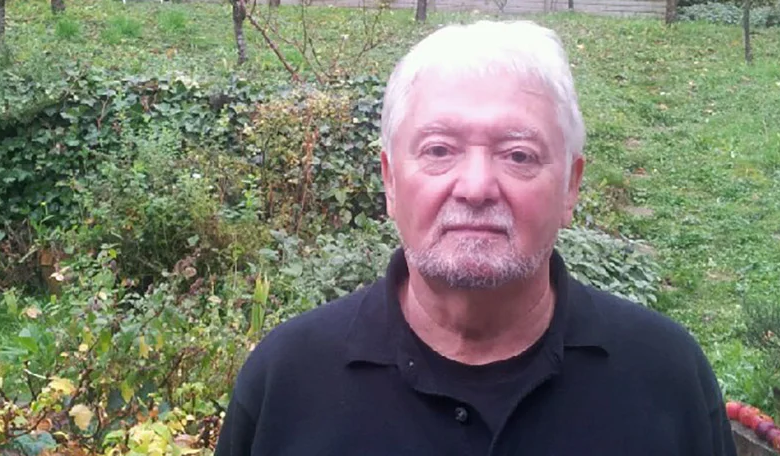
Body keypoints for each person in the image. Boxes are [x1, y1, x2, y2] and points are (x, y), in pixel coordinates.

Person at [214, 20, 737, 455]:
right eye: (439, 150)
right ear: (390, 181)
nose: (477, 187)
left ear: (570, 187)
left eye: (519, 155)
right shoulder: (287, 380)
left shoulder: (668, 378)